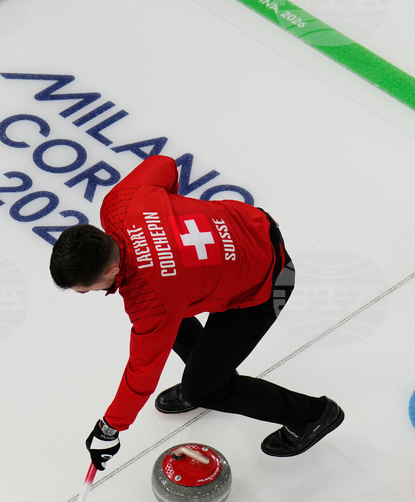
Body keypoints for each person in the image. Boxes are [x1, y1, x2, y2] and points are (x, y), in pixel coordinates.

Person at [49, 155, 343, 470]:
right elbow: (162, 165)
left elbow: (142, 373)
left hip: (269, 284)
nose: (83, 293)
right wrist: (168, 221)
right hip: (255, 224)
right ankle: (203, 372)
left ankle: (313, 415)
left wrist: (110, 429)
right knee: (173, 320)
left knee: (205, 389)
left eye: (84, 287)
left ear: (111, 268)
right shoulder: (118, 203)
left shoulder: (150, 299)